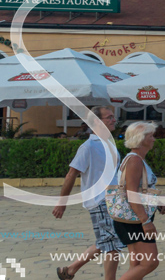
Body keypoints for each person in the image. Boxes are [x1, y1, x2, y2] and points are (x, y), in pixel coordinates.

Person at [53, 107, 122, 280]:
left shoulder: (111, 145)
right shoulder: (88, 146)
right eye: (109, 117)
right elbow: (71, 174)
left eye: (113, 117)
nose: (114, 120)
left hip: (115, 200)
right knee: (112, 245)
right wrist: (62, 203)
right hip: (100, 201)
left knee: (107, 241)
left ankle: (69, 270)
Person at [112, 122, 165, 280]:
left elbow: (139, 189)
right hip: (135, 219)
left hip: (132, 217)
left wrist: (156, 202)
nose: (154, 139)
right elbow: (132, 193)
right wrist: (145, 221)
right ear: (140, 139)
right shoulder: (134, 160)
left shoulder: (135, 158)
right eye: (150, 136)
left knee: (136, 263)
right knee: (150, 263)